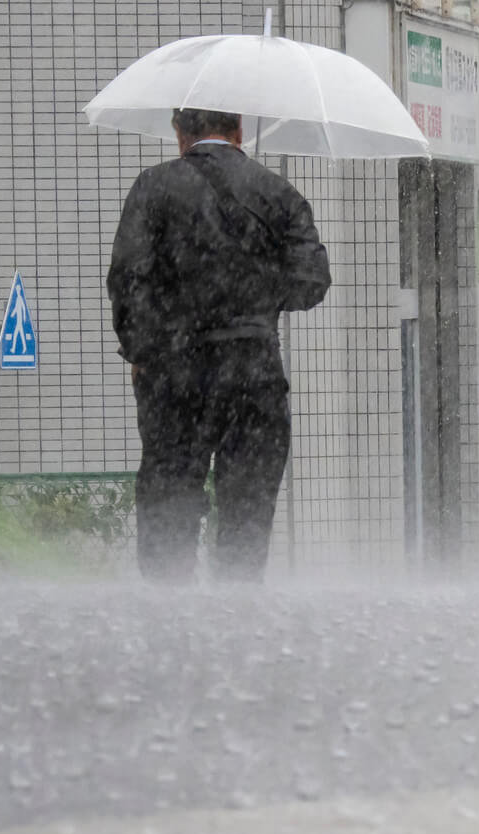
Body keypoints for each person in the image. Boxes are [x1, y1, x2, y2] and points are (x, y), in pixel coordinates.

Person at [107, 107, 330, 582]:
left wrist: (145, 351)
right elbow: (312, 281)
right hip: (254, 374)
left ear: (179, 134)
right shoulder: (278, 193)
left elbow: (129, 279)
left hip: (175, 373)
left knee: (170, 500)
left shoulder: (154, 187)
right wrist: (253, 298)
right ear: (239, 132)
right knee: (247, 514)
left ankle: (170, 625)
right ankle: (236, 630)